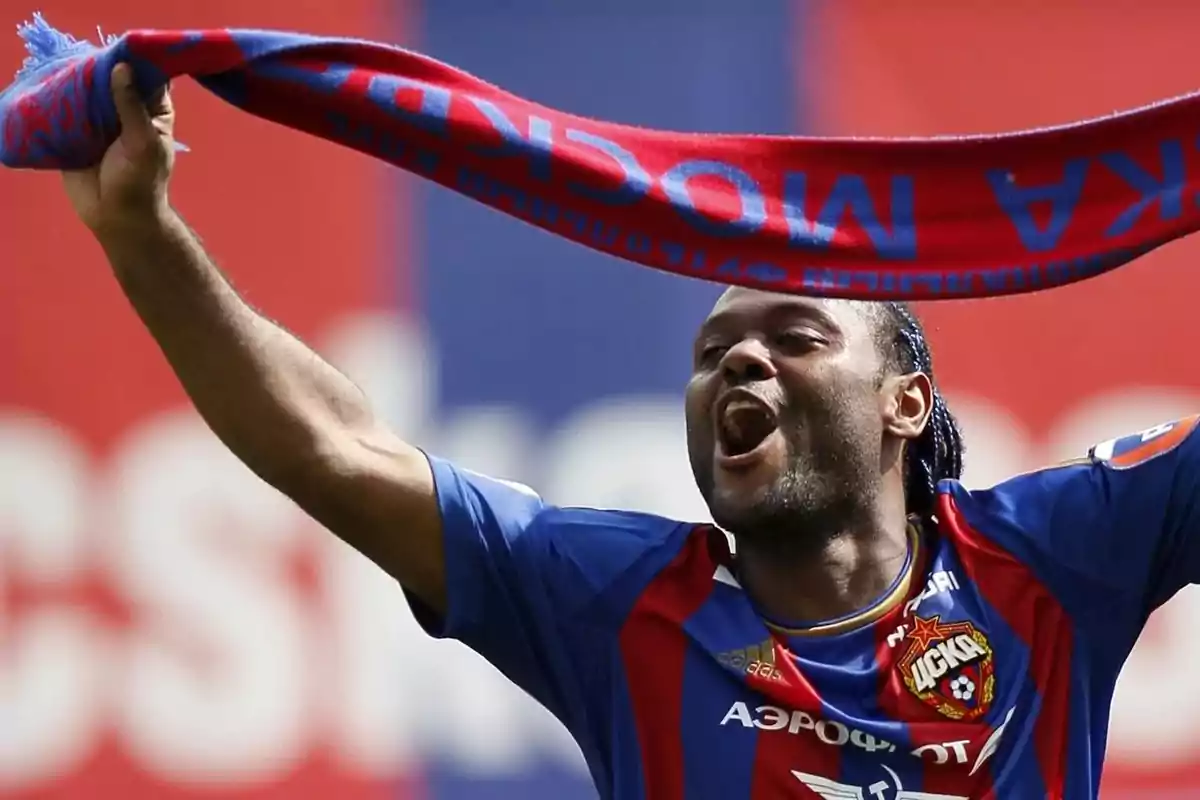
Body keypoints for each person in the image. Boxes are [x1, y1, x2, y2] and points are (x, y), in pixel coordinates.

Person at [62, 63, 1200, 800]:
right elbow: (333, 445)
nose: (738, 361)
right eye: (711, 355)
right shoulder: (616, 600)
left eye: (795, 335)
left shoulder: (1057, 554)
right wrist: (141, 236)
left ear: (905, 400)